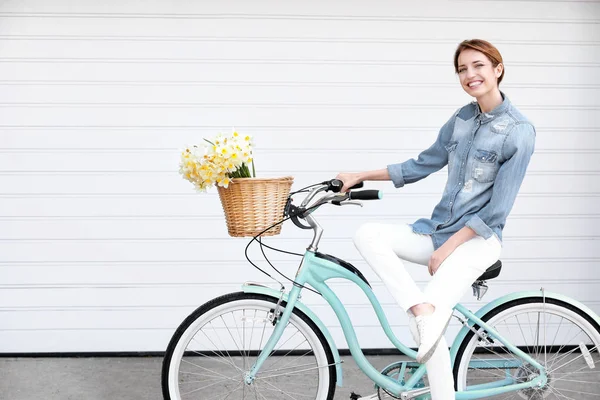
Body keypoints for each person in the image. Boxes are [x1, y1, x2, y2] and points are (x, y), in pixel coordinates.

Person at [336, 39, 536, 398]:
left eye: (477, 66)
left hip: (477, 241)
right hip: (438, 231)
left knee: (422, 331)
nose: (470, 75)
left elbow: (496, 211)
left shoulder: (519, 131)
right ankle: (420, 307)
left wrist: (449, 249)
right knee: (368, 234)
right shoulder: (461, 119)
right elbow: (419, 165)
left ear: (497, 69)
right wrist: (358, 175)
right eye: (462, 69)